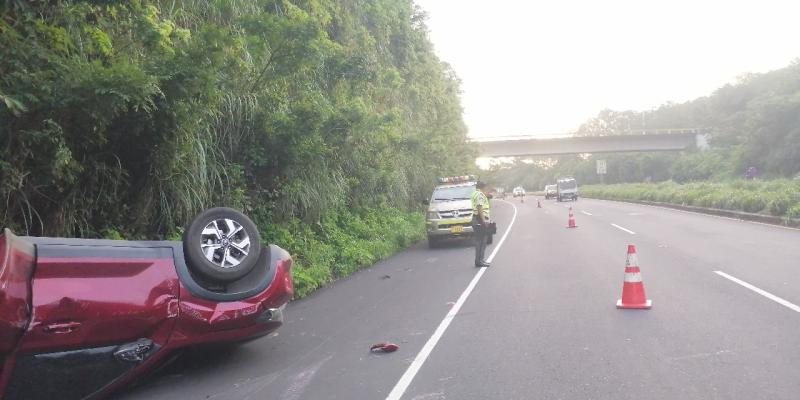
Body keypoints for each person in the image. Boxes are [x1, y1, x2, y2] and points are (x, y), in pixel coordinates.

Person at [471, 181, 491, 267]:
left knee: (479, 241)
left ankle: (478, 261)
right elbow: (480, 207)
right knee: (482, 241)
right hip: (480, 219)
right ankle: (480, 261)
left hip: (476, 218)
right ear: (483, 187)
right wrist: (484, 221)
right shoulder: (480, 195)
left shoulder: (474, 193)